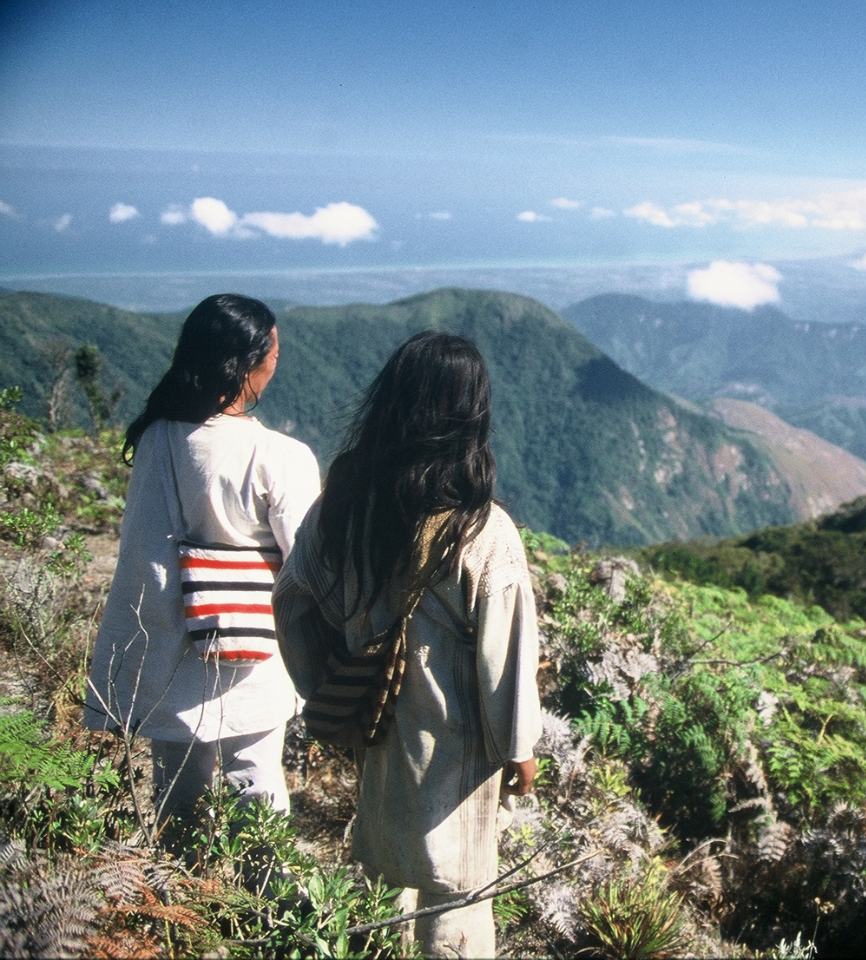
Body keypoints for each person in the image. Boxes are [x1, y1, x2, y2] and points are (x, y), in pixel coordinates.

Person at [273, 332, 542, 958]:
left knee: (378, 877)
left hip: (375, 725)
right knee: (456, 894)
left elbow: (291, 600)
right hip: (457, 746)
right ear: (469, 416)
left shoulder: (341, 508)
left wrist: (325, 685)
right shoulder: (482, 530)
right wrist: (520, 749)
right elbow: (506, 657)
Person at [84, 294, 320, 827]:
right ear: (247, 362)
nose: (277, 360)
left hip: (170, 650)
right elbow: (307, 564)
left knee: (178, 807)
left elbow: (141, 550)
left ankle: (180, 905)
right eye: (273, 349)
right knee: (258, 801)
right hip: (256, 644)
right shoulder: (281, 456)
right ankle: (261, 907)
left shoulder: (157, 439)